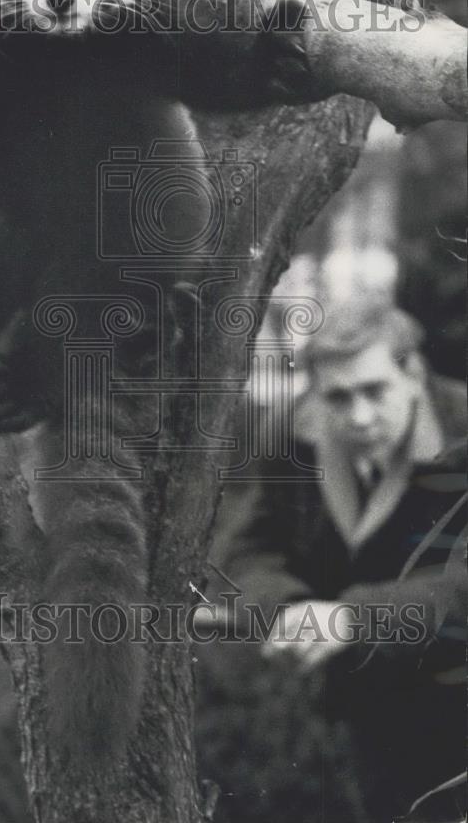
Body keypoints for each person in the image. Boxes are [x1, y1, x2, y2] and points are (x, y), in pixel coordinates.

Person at [225, 300, 467, 821]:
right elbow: (246, 549)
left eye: (374, 391)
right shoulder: (287, 436)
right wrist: (285, 607)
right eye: (337, 396)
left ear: (413, 372)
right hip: (355, 710)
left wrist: (356, 618)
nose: (358, 416)